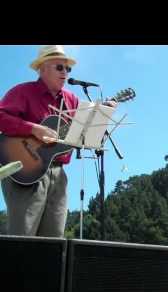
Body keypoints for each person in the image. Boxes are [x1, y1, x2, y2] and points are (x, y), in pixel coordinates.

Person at [0, 45, 116, 237]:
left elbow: (82, 135)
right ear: (42, 68)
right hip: (24, 170)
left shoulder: (72, 100)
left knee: (53, 241)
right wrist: (33, 128)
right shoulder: (23, 92)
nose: (65, 72)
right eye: (59, 67)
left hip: (58, 175)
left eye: (68, 69)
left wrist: (102, 116)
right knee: (22, 237)